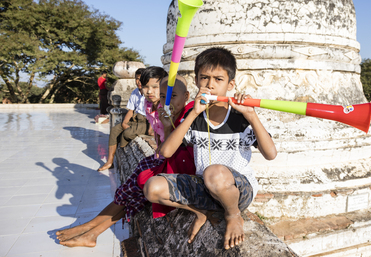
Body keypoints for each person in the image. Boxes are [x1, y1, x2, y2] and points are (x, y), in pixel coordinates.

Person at [143, 47, 277, 250]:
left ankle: (233, 215)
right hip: (205, 187)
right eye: (204, 78)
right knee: (152, 188)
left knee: (214, 171)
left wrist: (251, 115)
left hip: (237, 190)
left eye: (218, 79)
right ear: (197, 81)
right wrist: (193, 113)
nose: (210, 85)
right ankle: (201, 211)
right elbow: (167, 151)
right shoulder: (195, 117)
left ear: (231, 84)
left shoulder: (240, 118)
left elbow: (271, 154)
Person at [56, 74, 195, 247]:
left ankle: (91, 231)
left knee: (136, 187)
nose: (167, 102)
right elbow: (163, 145)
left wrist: (167, 125)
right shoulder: (165, 110)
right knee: (130, 188)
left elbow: (170, 150)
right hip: (168, 160)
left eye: (172, 96)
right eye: (164, 97)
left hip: (180, 167)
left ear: (187, 96)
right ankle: (90, 228)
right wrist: (166, 123)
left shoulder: (191, 112)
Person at [98, 67, 159, 171]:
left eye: (141, 79)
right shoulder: (135, 92)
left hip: (146, 121)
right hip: (136, 119)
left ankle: (122, 150)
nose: (138, 81)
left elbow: (154, 110)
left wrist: (151, 128)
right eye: (136, 78)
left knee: (127, 134)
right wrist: (124, 123)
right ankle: (110, 161)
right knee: (115, 130)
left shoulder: (150, 93)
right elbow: (130, 110)